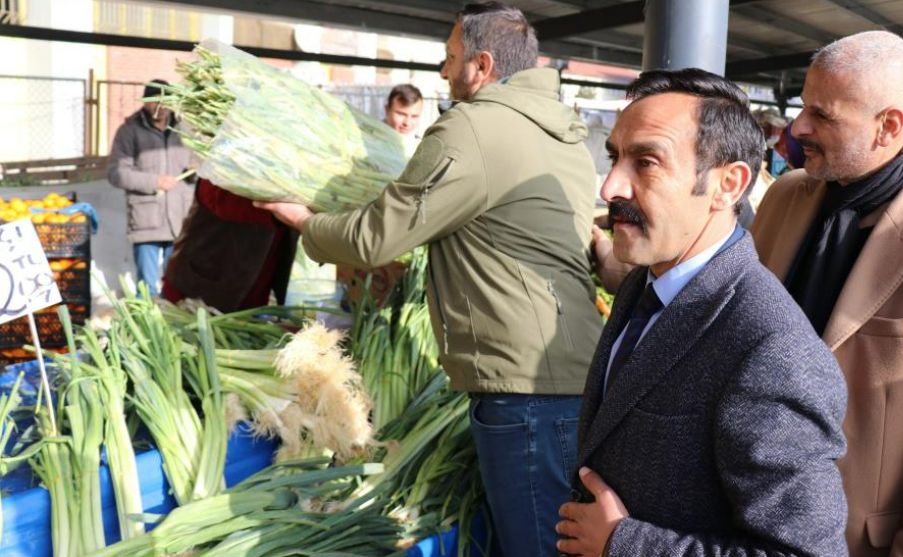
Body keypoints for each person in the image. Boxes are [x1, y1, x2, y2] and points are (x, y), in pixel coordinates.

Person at [258, 3, 603, 556]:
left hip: (524, 388)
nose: (444, 73)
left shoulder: (474, 126)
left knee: (536, 545)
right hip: (566, 371)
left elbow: (377, 236)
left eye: (450, 59)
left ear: (482, 65)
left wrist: (304, 222)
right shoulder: (562, 133)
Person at [556, 68, 849, 557]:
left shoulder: (771, 349)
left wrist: (624, 544)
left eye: (645, 162)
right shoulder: (645, 281)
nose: (609, 188)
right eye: (614, 158)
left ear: (727, 184)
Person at [751, 30, 903, 557]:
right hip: (740, 521)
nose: (798, 128)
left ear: (889, 127)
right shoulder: (785, 196)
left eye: (823, 115)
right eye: (802, 107)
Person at [107, 79, 194, 296]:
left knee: (178, 284)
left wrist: (196, 169)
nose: (161, 107)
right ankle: (146, 323)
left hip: (181, 218)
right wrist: (154, 181)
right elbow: (116, 173)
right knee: (147, 286)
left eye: (166, 102)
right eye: (155, 102)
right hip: (146, 219)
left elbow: (201, 165)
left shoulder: (185, 129)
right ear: (146, 103)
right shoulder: (129, 131)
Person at [161, 177, 298, 312]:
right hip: (203, 284)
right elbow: (215, 197)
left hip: (256, 290)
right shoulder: (234, 163)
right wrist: (295, 214)